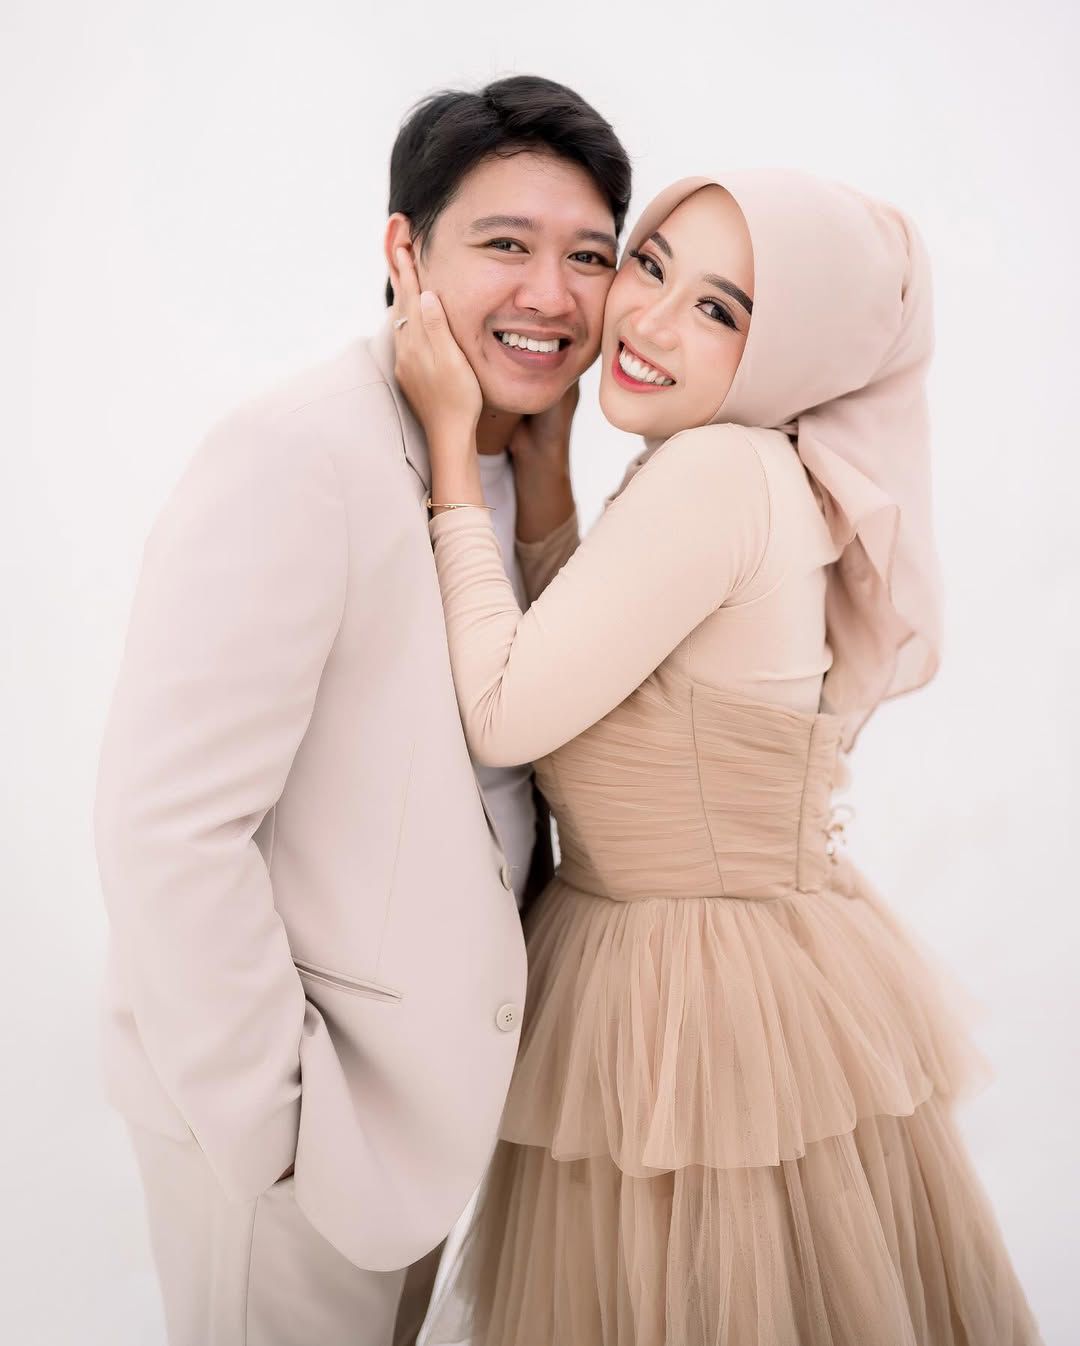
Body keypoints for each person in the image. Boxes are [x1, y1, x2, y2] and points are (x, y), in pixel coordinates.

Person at [389, 170, 1043, 1344]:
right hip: (720, 962)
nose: (647, 319)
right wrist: (548, 475)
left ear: (790, 353)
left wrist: (448, 442)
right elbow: (608, 671)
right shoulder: (749, 467)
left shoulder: (719, 474)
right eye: (651, 264)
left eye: (719, 309)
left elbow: (503, 707)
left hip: (689, 994)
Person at [91, 75, 630, 1346]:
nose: (552, 295)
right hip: (295, 1140)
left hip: (427, 1124)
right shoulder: (302, 451)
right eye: (506, 245)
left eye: (590, 256)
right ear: (406, 251)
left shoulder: (513, 460)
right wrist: (276, 1125)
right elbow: (166, 821)